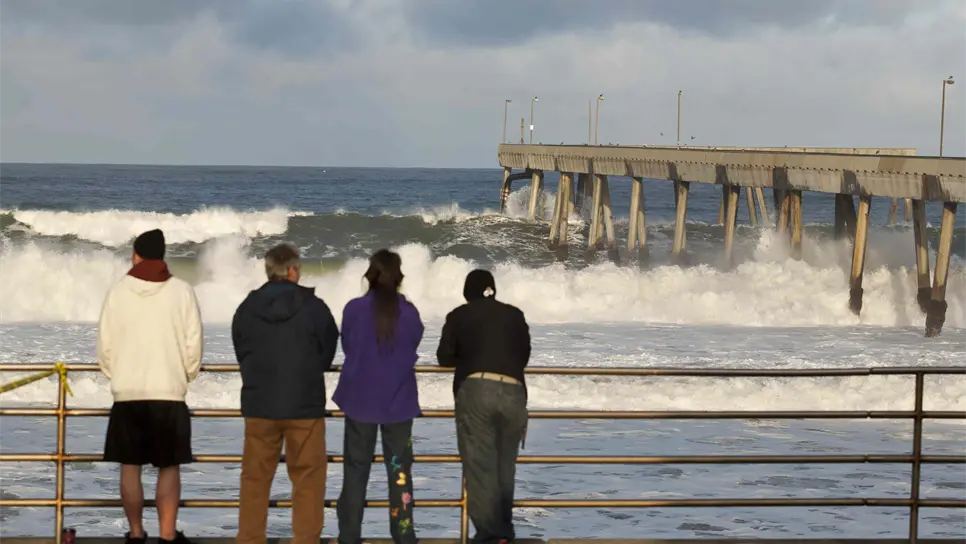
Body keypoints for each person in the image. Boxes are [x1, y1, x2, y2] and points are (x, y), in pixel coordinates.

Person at [97, 228, 203, 544]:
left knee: (130, 467)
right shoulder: (182, 291)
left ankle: (136, 532)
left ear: (136, 255)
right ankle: (167, 536)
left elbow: (105, 347)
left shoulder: (118, 292)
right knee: (168, 467)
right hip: (168, 391)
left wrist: (117, 376)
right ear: (163, 256)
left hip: (127, 392)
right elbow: (193, 346)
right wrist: (184, 376)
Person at [231, 243, 339, 544]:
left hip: (259, 403)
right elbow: (328, 347)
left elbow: (241, 348)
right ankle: (305, 540)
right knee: (308, 479)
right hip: (304, 403)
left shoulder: (247, 307)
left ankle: (250, 539)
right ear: (292, 270)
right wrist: (310, 370)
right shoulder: (313, 306)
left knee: (254, 479)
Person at [333, 249, 423, 544]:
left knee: (356, 472)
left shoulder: (353, 309)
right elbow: (415, 341)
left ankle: (349, 535)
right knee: (399, 473)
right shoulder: (408, 313)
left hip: (360, 400)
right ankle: (404, 535)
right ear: (399, 277)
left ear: (369, 276)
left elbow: (347, 345)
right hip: (398, 402)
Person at [436, 269, 531, 544]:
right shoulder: (515, 315)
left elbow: (444, 357)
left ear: (468, 293)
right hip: (514, 392)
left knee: (480, 466)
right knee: (505, 467)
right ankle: (504, 532)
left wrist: (470, 354)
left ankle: (489, 535)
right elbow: (523, 355)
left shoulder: (459, 315)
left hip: (477, 390)